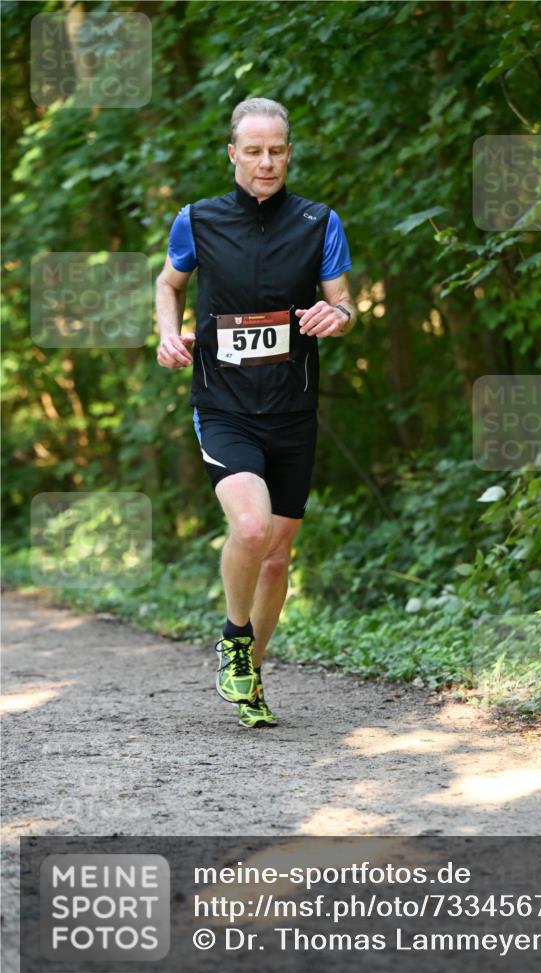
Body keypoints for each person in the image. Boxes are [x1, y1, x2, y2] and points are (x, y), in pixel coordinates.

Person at [155, 98, 355, 729]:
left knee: (278, 554)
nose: (266, 162)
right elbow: (169, 283)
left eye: (277, 151)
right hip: (224, 406)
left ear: (288, 153)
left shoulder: (319, 222)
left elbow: (345, 305)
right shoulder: (197, 220)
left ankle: (251, 674)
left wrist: (338, 317)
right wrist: (168, 333)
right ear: (232, 153)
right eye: (254, 151)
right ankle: (234, 636)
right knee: (251, 530)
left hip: (293, 410)